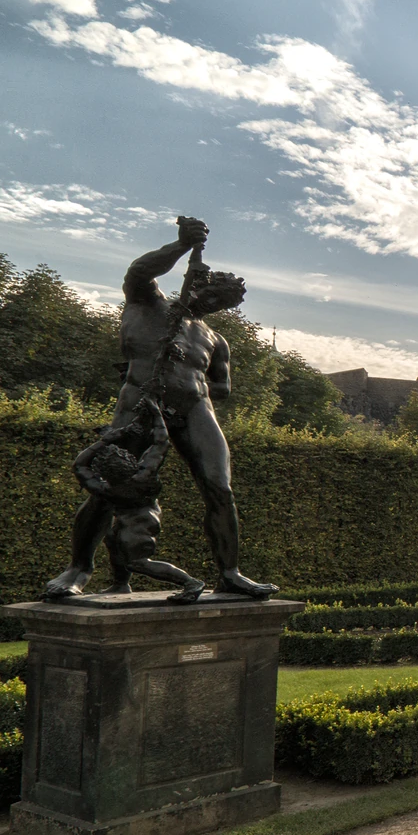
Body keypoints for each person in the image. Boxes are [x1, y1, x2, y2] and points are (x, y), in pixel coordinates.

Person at [44, 216, 276, 601]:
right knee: (109, 490)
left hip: (196, 410)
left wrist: (191, 383)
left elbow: (223, 387)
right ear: (199, 283)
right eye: (213, 294)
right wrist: (182, 245)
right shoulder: (148, 303)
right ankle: (78, 569)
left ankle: (230, 572)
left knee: (220, 488)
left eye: (223, 303)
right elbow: (138, 270)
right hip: (140, 402)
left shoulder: (216, 340)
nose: (214, 304)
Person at [72, 398, 203, 603]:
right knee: (113, 541)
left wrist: (105, 441)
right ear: (132, 462)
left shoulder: (106, 489)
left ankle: (191, 582)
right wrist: (157, 414)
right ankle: (121, 583)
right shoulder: (144, 474)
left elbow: (79, 465)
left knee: (138, 562)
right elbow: (161, 442)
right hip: (145, 516)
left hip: (139, 524)